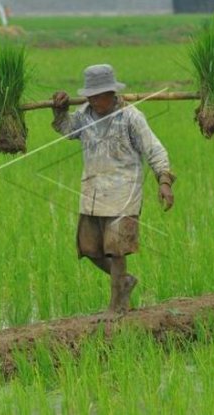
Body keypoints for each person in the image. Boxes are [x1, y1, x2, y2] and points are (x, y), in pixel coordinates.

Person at [52, 64, 176, 314]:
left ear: (112, 93)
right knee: (88, 248)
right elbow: (66, 129)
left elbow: (154, 148)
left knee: (116, 249)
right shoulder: (84, 114)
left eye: (98, 95)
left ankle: (116, 306)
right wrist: (60, 111)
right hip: (93, 192)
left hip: (123, 193)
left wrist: (163, 180)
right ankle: (124, 280)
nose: (93, 100)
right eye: (90, 95)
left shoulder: (131, 117)